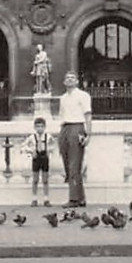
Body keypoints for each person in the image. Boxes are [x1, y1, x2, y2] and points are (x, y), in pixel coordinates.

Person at [57, 71, 93, 208]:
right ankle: (80, 198)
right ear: (64, 82)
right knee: (68, 165)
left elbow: (88, 115)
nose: (70, 80)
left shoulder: (83, 96)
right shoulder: (63, 98)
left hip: (77, 127)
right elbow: (62, 115)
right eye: (67, 78)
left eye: (72, 78)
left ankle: (73, 199)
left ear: (77, 81)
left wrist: (88, 134)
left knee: (74, 165)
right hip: (65, 128)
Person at [26, 116, 52, 206]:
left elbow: (53, 145)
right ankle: (34, 198)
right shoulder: (31, 137)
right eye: (38, 126)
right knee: (35, 179)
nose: (39, 128)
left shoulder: (48, 137)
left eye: (41, 126)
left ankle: (46, 199)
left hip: (44, 157)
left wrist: (49, 150)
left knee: (45, 179)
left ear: (44, 127)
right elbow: (24, 146)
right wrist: (31, 151)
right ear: (34, 127)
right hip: (36, 158)